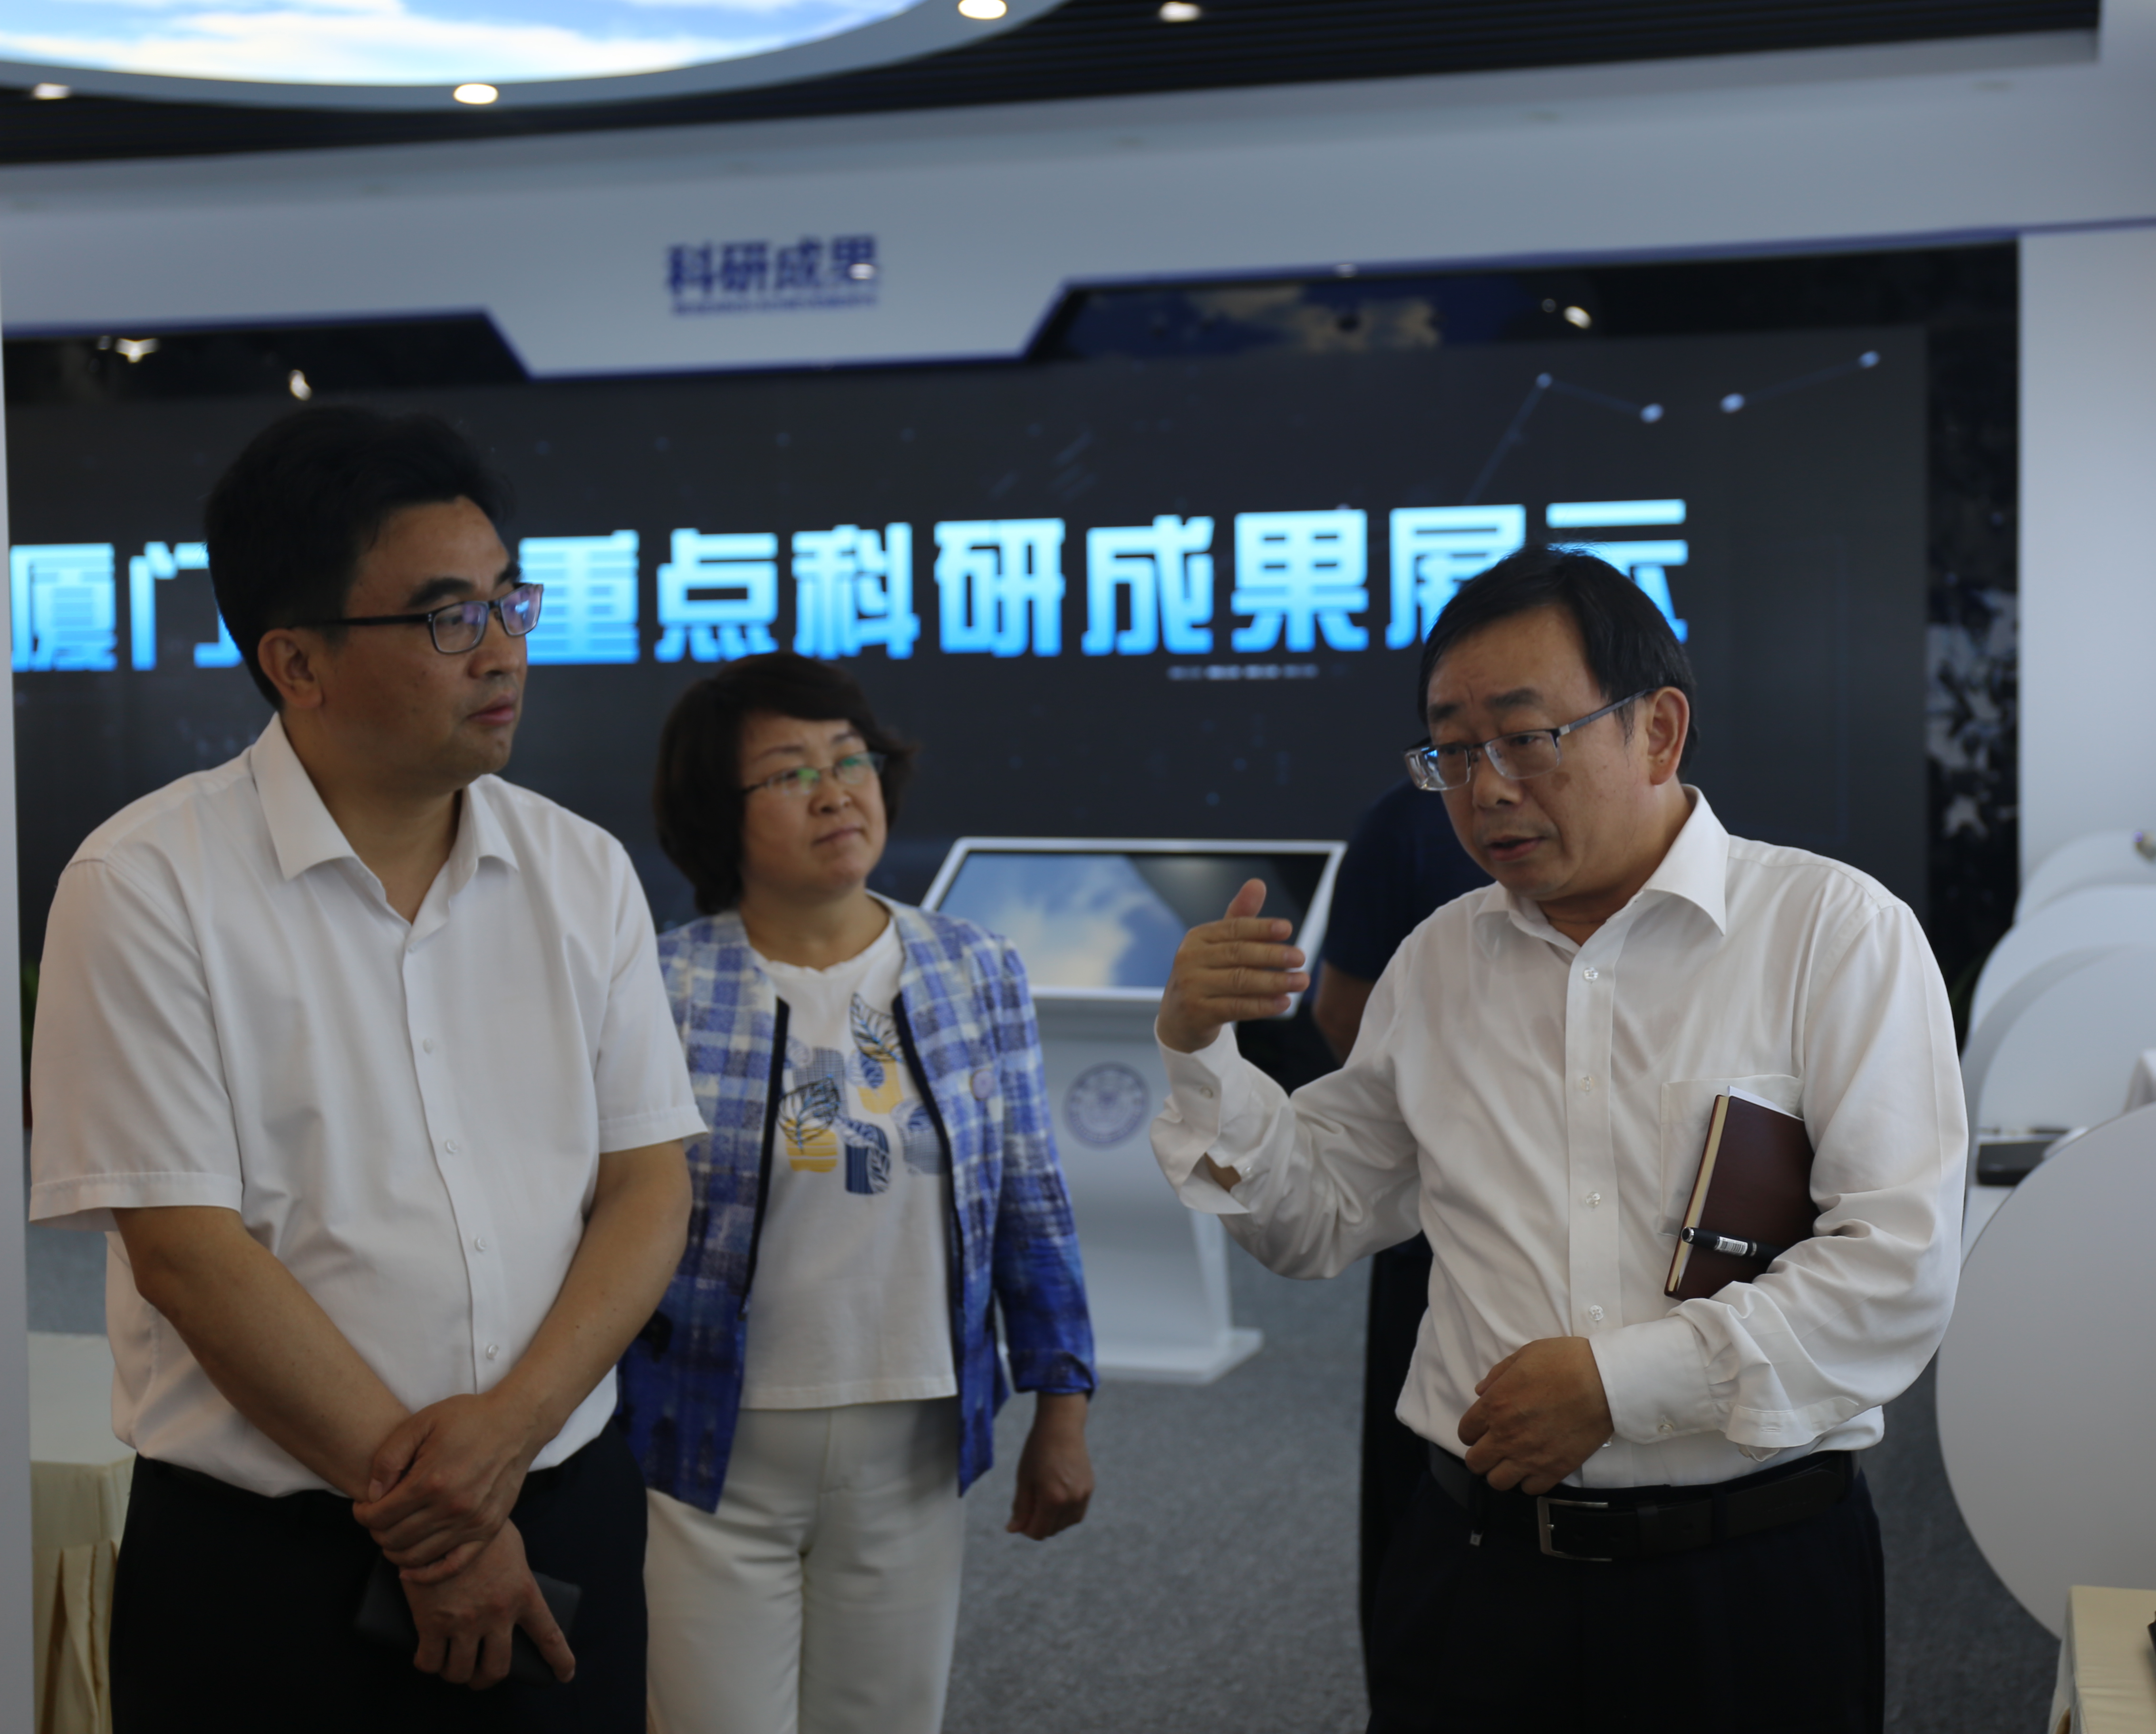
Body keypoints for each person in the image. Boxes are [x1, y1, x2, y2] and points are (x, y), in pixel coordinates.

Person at [1150, 547, 1964, 1733]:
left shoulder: (1832, 935)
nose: (1486, 789)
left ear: (1659, 732)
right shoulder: (1439, 961)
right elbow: (1315, 1215)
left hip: (1745, 1580)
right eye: (1453, 752)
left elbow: (1899, 1270)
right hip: (1478, 1574)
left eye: (1526, 739)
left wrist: (1618, 1386)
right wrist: (1199, 1054)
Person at [28, 405, 705, 1729]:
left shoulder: (580, 870)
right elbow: (187, 1252)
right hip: (268, 1561)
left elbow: (647, 1184)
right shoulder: (145, 882)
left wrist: (507, 1438)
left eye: (509, 600)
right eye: (449, 618)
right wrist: (444, 1526)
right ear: (296, 661)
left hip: (563, 1506)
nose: (502, 649)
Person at [619, 651, 1097, 1734]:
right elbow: (607, 1224)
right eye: (790, 772)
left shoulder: (974, 967)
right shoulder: (662, 984)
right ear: (718, 811)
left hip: (912, 1438)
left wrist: (1062, 1407)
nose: (836, 791)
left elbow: (1031, 1201)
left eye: (851, 760)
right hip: (705, 1449)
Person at [1309, 780, 1487, 1650]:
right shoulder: (1412, 823)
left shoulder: (1821, 918)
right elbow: (1345, 1013)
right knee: (1428, 1493)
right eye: (1454, 743)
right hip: (1432, 1226)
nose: (1493, 785)